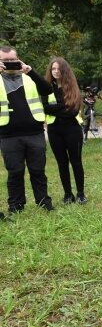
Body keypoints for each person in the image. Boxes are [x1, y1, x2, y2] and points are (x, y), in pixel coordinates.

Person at [0, 46, 54, 213]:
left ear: (18, 59)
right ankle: (16, 205)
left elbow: (47, 89)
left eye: (12, 60)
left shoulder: (29, 77)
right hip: (8, 135)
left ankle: (44, 202)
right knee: (15, 172)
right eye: (4, 60)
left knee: (38, 170)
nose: (9, 63)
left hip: (34, 133)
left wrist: (31, 72)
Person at [44, 57, 87, 205]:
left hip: (72, 129)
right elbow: (44, 107)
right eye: (53, 69)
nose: (55, 71)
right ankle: (68, 194)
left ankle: (80, 193)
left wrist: (54, 109)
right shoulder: (46, 87)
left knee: (76, 162)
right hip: (54, 130)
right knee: (62, 163)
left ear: (64, 71)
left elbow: (73, 111)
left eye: (58, 69)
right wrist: (62, 106)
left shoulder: (72, 86)